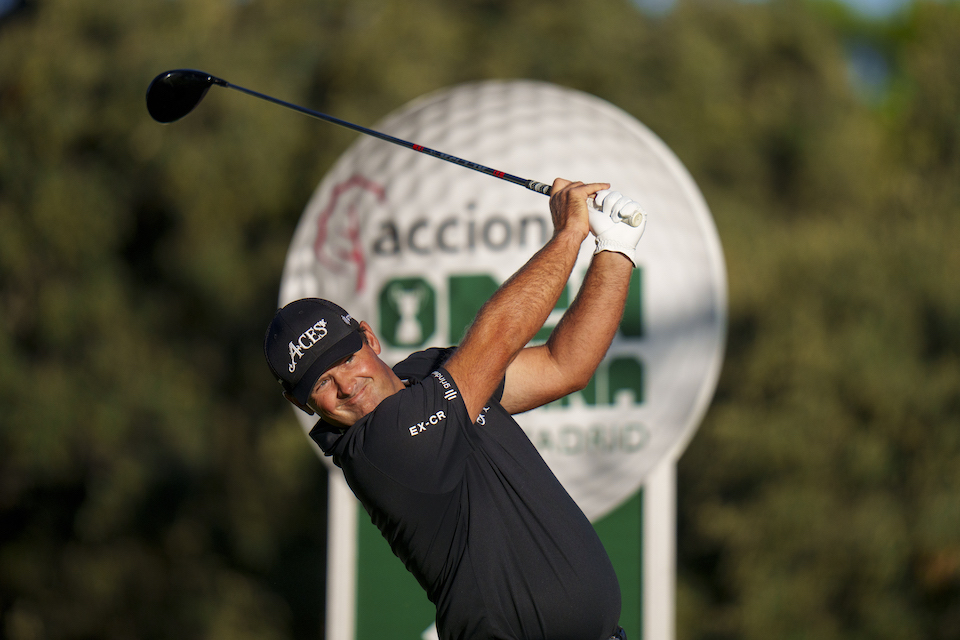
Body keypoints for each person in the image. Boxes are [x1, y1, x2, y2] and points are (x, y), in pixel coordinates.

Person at [264, 179, 647, 640]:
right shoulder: (377, 449)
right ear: (298, 401)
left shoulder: (431, 372)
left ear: (369, 337)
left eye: (347, 358)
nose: (347, 385)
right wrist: (569, 235)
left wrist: (615, 250)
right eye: (322, 382)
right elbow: (500, 334)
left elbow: (564, 366)